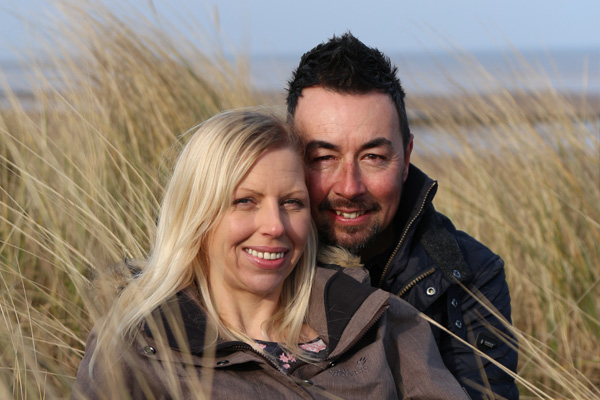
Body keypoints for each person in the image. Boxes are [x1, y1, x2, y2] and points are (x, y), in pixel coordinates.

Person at [71, 109, 468, 399]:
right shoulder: (136, 347)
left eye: (292, 203)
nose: (275, 226)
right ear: (198, 215)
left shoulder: (374, 320)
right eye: (245, 201)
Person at [286, 33, 518, 399]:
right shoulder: (256, 258)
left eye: (373, 157)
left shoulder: (471, 275)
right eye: (323, 158)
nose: (349, 187)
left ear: (406, 157)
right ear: (290, 159)